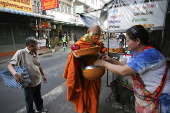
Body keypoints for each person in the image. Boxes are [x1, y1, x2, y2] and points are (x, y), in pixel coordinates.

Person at [95, 25, 170, 113]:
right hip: (146, 99)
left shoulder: (149, 54)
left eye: (128, 40)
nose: (126, 43)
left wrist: (103, 63)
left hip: (159, 100)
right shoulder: (137, 53)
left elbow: (123, 71)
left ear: (138, 41)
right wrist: (111, 60)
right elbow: (127, 66)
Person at [63, 25, 107, 113]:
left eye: (99, 34)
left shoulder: (97, 43)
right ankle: (84, 110)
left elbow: (101, 51)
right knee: (83, 95)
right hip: (83, 74)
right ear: (88, 32)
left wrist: (101, 55)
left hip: (95, 73)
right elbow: (74, 53)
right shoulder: (81, 43)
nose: (97, 37)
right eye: (95, 34)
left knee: (94, 95)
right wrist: (74, 55)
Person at [8, 37, 48, 113]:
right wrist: (14, 73)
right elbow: (10, 65)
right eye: (37, 44)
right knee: (29, 99)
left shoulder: (35, 52)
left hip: (37, 80)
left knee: (38, 97)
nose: (38, 46)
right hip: (28, 83)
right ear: (31, 45)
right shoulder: (21, 52)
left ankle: (39, 108)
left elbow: (38, 65)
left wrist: (43, 75)